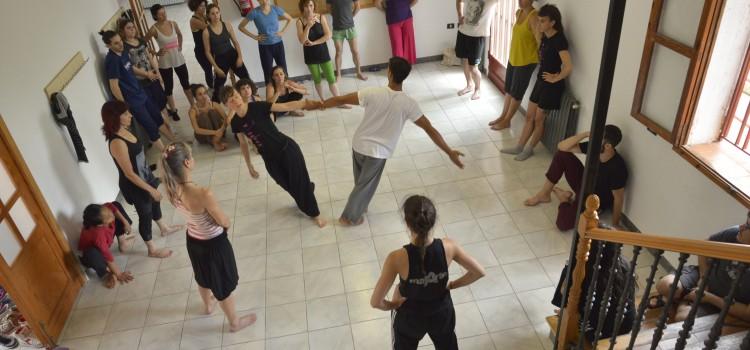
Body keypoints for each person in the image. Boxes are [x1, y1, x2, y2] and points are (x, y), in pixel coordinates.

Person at [322, 57, 464, 226]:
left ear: (389, 73)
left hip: (359, 145)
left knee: (361, 181)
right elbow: (430, 129)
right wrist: (449, 151)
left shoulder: (372, 92)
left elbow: (340, 100)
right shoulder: (409, 104)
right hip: (377, 153)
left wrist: (319, 104)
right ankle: (349, 217)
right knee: (364, 184)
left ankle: (360, 205)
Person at [160, 142, 257, 332]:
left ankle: (207, 305)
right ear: (187, 163)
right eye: (192, 156)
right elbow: (223, 221)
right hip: (214, 245)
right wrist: (227, 222)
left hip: (194, 241)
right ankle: (234, 323)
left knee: (202, 276)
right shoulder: (203, 193)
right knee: (223, 286)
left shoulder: (171, 189)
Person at [371, 195, 485, 349]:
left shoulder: (396, 258)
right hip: (441, 313)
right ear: (434, 220)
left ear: (407, 223)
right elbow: (479, 272)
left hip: (409, 317)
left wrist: (394, 304)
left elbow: (376, 302)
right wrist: (451, 285)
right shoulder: (449, 247)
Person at [221, 86, 326, 227]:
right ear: (226, 105)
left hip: (286, 149)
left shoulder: (257, 106)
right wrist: (249, 166)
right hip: (269, 158)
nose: (235, 100)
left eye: (235, 95)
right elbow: (243, 144)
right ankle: (307, 189)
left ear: (239, 94)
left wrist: (306, 103)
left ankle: (315, 213)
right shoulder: (235, 122)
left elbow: (285, 106)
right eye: (230, 100)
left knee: (299, 182)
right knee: (285, 183)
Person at [100, 100, 182, 258]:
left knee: (155, 201)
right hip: (134, 184)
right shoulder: (117, 142)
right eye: (125, 113)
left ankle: (164, 228)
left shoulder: (126, 129)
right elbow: (129, 174)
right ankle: (151, 249)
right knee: (145, 214)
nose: (130, 115)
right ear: (114, 117)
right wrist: (150, 189)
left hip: (145, 176)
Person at [501, 4, 572, 161]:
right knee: (529, 117)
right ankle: (519, 146)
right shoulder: (545, 37)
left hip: (551, 86)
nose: (539, 24)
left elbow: (568, 66)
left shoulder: (559, 40)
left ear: (552, 22)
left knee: (539, 120)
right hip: (540, 81)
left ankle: (529, 149)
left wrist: (555, 77)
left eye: (542, 21)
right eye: (538, 21)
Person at [650, 212, 750, 322]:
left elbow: (747, 313)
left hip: (720, 301)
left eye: (748, 226)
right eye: (745, 222)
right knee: (664, 285)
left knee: (682, 318)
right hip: (702, 277)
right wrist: (703, 278)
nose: (741, 227)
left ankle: (677, 299)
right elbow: (704, 246)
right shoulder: (734, 233)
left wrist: (709, 298)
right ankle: (683, 297)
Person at [524, 125, 627, 231]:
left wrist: (615, 224)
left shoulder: (618, 167)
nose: (594, 140)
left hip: (592, 199)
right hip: (584, 183)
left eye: (598, 139)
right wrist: (585, 134)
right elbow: (561, 146)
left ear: (608, 146)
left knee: (563, 224)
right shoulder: (595, 147)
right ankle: (544, 194)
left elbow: (618, 197)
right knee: (562, 155)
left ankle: (564, 198)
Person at [552, 233, 635, 343]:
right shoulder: (624, 264)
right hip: (625, 323)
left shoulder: (581, 272)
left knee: (568, 307)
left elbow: (564, 295)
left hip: (597, 331)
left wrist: (569, 267)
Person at [101, 30, 176, 151]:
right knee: (150, 126)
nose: (120, 45)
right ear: (108, 46)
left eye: (120, 41)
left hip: (140, 92)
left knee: (157, 117)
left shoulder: (123, 52)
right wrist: (124, 106)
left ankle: (175, 142)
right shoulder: (112, 61)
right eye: (116, 43)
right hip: (132, 100)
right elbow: (114, 86)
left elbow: (131, 68)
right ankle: (165, 154)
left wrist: (146, 74)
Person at [488, 0, 539, 130]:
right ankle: (503, 116)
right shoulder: (519, 12)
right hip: (514, 58)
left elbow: (540, 42)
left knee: (517, 93)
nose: (520, 1)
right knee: (509, 90)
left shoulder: (534, 17)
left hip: (526, 62)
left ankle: (507, 121)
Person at [146, 4, 195, 120]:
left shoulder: (173, 23)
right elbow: (142, 43)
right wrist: (155, 52)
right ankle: (173, 110)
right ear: (155, 16)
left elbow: (179, 34)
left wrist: (180, 46)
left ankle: (193, 105)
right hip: (165, 61)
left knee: (186, 83)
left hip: (178, 58)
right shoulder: (154, 29)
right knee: (169, 87)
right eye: (161, 14)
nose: (164, 15)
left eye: (164, 12)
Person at [296, 0, 348, 106]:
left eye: (311, 5)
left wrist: (314, 43)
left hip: (323, 52)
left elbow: (328, 35)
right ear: (302, 7)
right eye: (306, 6)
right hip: (310, 55)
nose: (309, 8)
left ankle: (339, 101)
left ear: (314, 6)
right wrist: (309, 26)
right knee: (317, 79)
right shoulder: (299, 21)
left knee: (331, 78)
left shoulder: (320, 17)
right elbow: (302, 40)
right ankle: (323, 101)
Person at [119, 18, 170, 126]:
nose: (132, 30)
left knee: (161, 102)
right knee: (153, 106)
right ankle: (163, 127)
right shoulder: (124, 47)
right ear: (123, 31)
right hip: (141, 82)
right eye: (128, 28)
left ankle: (169, 126)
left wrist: (157, 73)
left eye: (133, 27)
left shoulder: (141, 40)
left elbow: (149, 57)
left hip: (153, 76)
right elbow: (130, 67)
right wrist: (147, 74)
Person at [78, 202, 136, 289]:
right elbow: (106, 254)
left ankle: (122, 241)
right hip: (94, 254)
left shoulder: (105, 210)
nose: (111, 215)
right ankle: (105, 274)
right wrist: (118, 273)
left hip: (104, 241)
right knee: (92, 254)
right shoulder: (98, 234)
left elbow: (112, 207)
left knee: (116, 204)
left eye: (108, 212)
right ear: (100, 224)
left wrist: (125, 222)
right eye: (108, 217)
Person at [203, 4, 253, 102]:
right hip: (220, 59)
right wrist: (216, 68)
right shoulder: (206, 32)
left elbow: (235, 42)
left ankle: (252, 99)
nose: (216, 16)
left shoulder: (227, 25)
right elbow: (207, 52)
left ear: (220, 13)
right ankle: (215, 106)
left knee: (246, 78)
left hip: (232, 55)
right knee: (218, 86)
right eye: (212, 14)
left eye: (217, 13)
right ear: (208, 15)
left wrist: (240, 57)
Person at [454, 0, 499, 101]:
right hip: (463, 31)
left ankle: (478, 89)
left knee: (473, 67)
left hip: (477, 36)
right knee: (464, 61)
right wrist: (460, 15)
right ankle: (469, 85)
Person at [239, 0, 294, 82]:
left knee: (283, 69)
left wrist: (283, 32)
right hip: (264, 47)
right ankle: (271, 93)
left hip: (278, 44)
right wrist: (254, 37)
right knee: (268, 71)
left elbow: (290, 19)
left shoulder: (276, 9)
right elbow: (241, 27)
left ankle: (285, 91)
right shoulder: (254, 12)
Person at [326, 0, 367, 80]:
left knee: (355, 51)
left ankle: (359, 73)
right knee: (338, 52)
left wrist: (350, 16)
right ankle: (338, 75)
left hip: (350, 27)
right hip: (337, 29)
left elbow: (357, 7)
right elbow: (328, 8)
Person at [375, 0, 418, 64]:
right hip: (393, 20)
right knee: (397, 47)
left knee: (408, 43)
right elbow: (377, 3)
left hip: (407, 18)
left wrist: (406, 7)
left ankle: (407, 65)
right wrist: (386, 11)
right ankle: (398, 67)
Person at [188, 84, 228, 151]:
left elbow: (227, 119)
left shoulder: (214, 104)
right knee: (203, 116)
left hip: (219, 132)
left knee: (212, 112)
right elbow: (197, 130)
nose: (203, 96)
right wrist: (215, 133)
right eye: (200, 94)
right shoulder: (193, 110)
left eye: (205, 93)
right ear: (195, 97)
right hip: (204, 137)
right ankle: (214, 142)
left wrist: (221, 130)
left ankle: (217, 140)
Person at [188, 0, 214, 88]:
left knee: (213, 69)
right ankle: (212, 90)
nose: (203, 8)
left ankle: (215, 86)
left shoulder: (203, 16)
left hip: (209, 48)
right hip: (201, 52)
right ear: (194, 7)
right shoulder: (193, 20)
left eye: (204, 6)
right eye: (200, 6)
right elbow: (211, 28)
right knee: (208, 71)